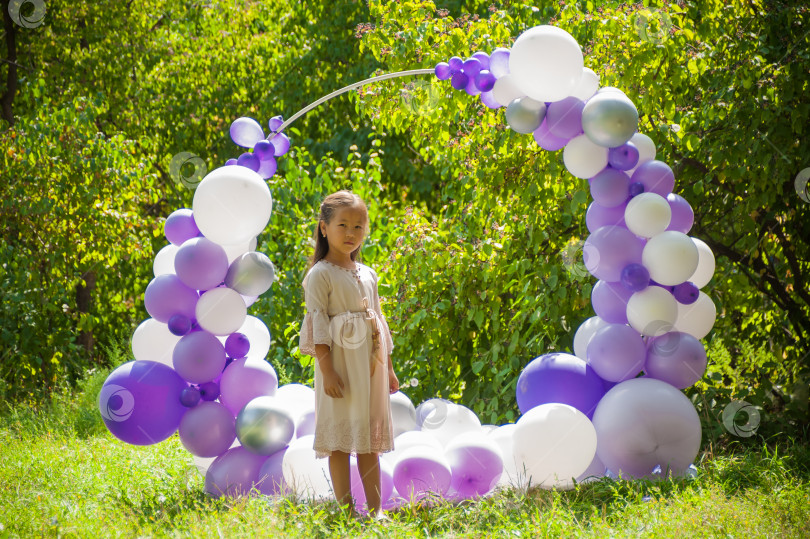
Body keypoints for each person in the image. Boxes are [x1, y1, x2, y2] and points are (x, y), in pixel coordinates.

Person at [299, 190, 399, 519]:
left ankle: (376, 510)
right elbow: (318, 324)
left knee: (369, 438)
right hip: (340, 365)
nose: (352, 233)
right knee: (340, 439)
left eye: (359, 226)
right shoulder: (320, 274)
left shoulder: (368, 273)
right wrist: (327, 370)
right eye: (343, 224)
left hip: (370, 365)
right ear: (324, 228)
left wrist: (389, 369)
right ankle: (345, 511)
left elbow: (379, 323)